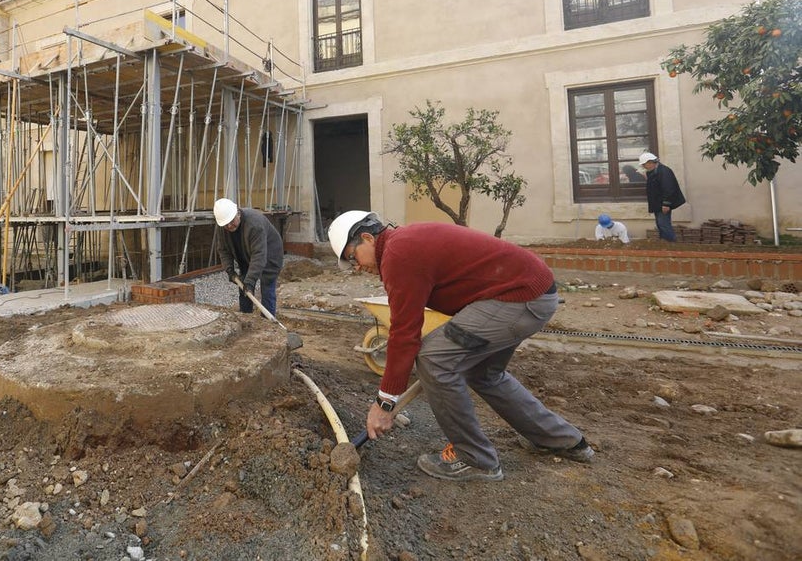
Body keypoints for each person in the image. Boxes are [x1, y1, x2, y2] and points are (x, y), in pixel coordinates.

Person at [327, 211, 593, 482]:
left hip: (519, 298)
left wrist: (384, 403)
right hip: (529, 293)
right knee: (483, 373)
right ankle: (561, 440)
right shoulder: (403, 244)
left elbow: (404, 334)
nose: (356, 267)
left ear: (368, 238)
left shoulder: (398, 255)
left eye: (352, 257)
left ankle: (475, 458)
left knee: (433, 359)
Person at [214, 198, 284, 316]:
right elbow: (223, 250)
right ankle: (246, 317)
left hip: (270, 254)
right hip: (247, 254)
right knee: (244, 286)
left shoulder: (255, 224)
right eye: (226, 225)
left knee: (267, 288)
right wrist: (230, 270)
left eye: (232, 221)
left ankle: (268, 321)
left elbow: (259, 255)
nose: (229, 226)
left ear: (237, 213)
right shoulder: (222, 226)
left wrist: (250, 281)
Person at [639, 152, 685, 242]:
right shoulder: (656, 171)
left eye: (644, 164)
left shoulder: (664, 171)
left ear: (650, 162)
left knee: (664, 224)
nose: (644, 167)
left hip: (663, 203)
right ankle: (664, 242)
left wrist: (666, 204)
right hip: (658, 203)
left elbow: (669, 188)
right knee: (660, 224)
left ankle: (670, 244)